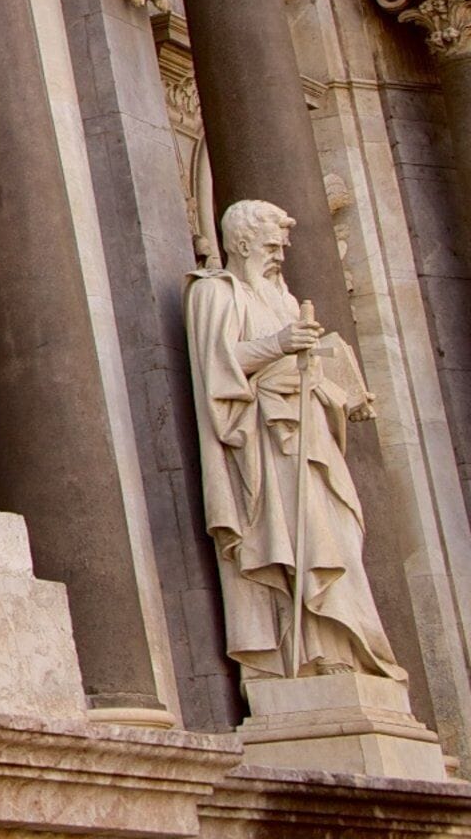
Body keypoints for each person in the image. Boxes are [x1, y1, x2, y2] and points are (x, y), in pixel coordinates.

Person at [188, 198, 400, 680]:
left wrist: (342, 389)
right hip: (265, 442)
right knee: (298, 539)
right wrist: (280, 345)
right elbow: (217, 364)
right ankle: (305, 652)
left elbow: (299, 367)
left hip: (307, 432)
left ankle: (343, 646)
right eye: (270, 245)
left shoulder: (284, 300)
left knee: (339, 535)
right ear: (241, 242)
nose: (280, 254)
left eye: (282, 246)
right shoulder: (216, 292)